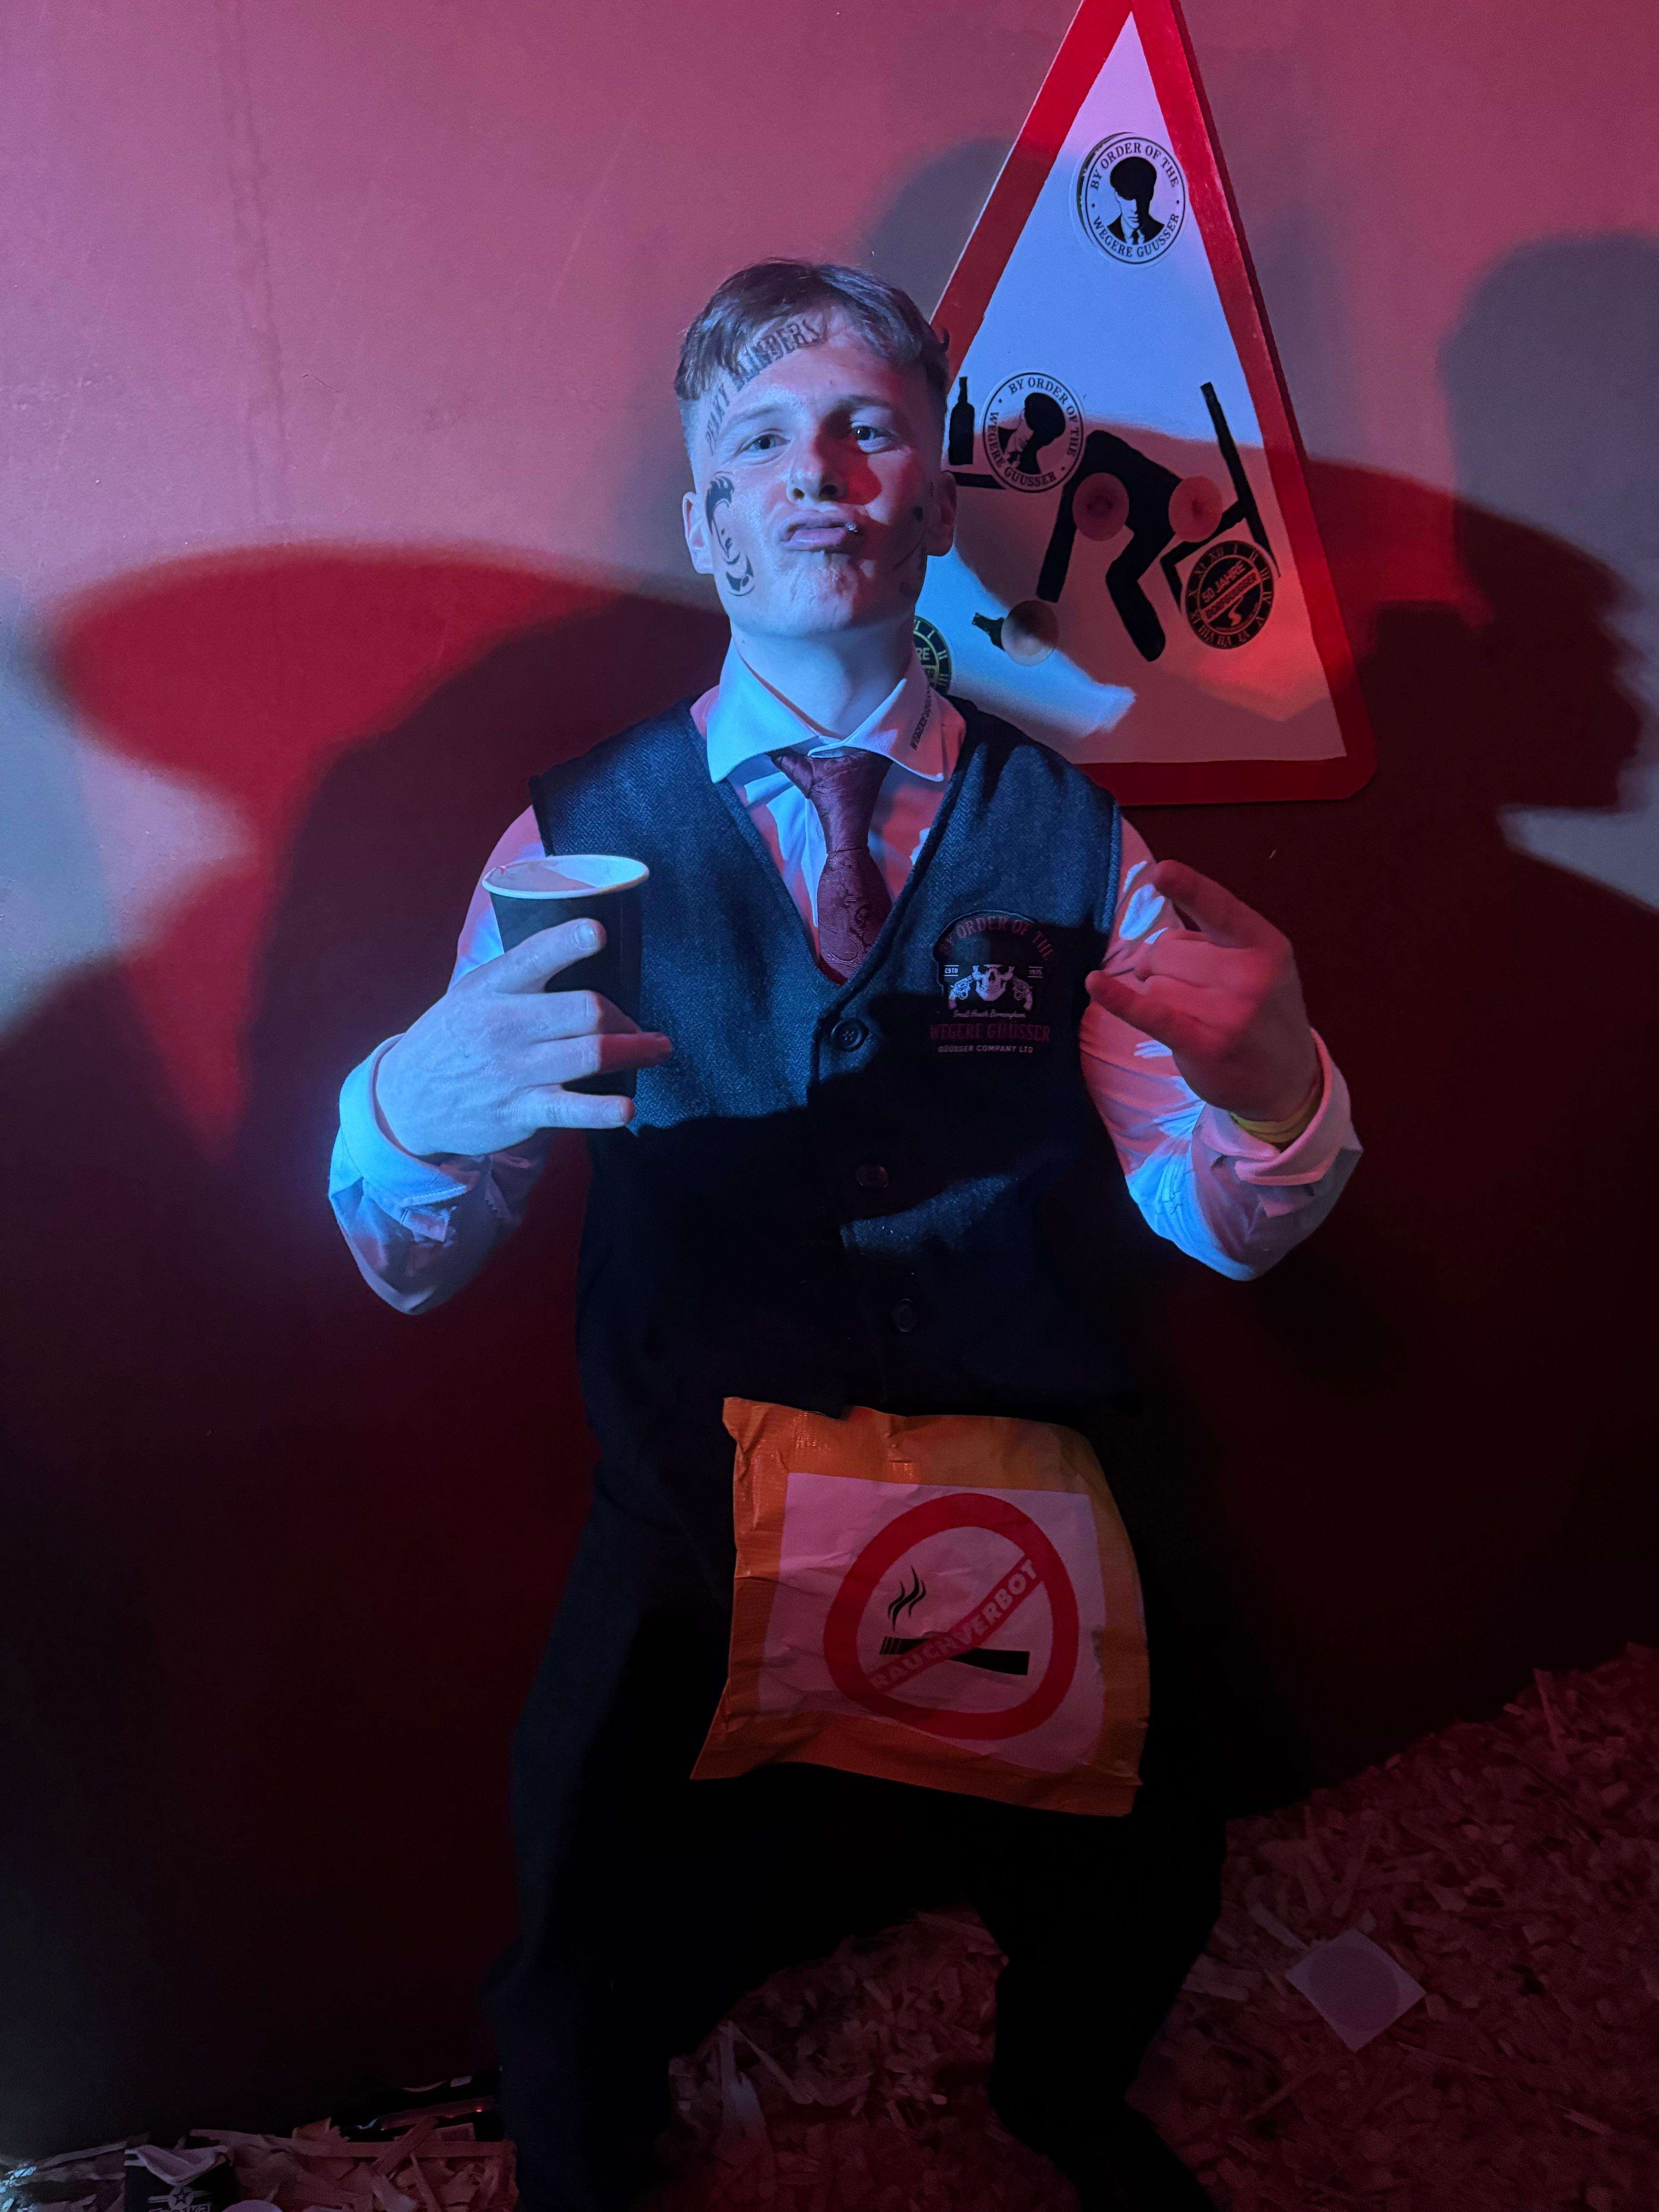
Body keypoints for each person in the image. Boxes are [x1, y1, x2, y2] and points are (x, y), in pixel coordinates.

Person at [329, 261, 1360, 2212]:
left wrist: (1279, 1084)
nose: (818, 472)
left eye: (869, 429)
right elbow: (413, 1257)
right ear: (708, 520)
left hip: (1008, 1487)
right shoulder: (571, 847)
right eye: (761, 442)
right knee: (578, 1932)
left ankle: (1061, 2101)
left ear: (937, 497)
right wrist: (401, 1108)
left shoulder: (1078, 839)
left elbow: (1221, 1223)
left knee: (1144, 1870)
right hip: (693, 1502)